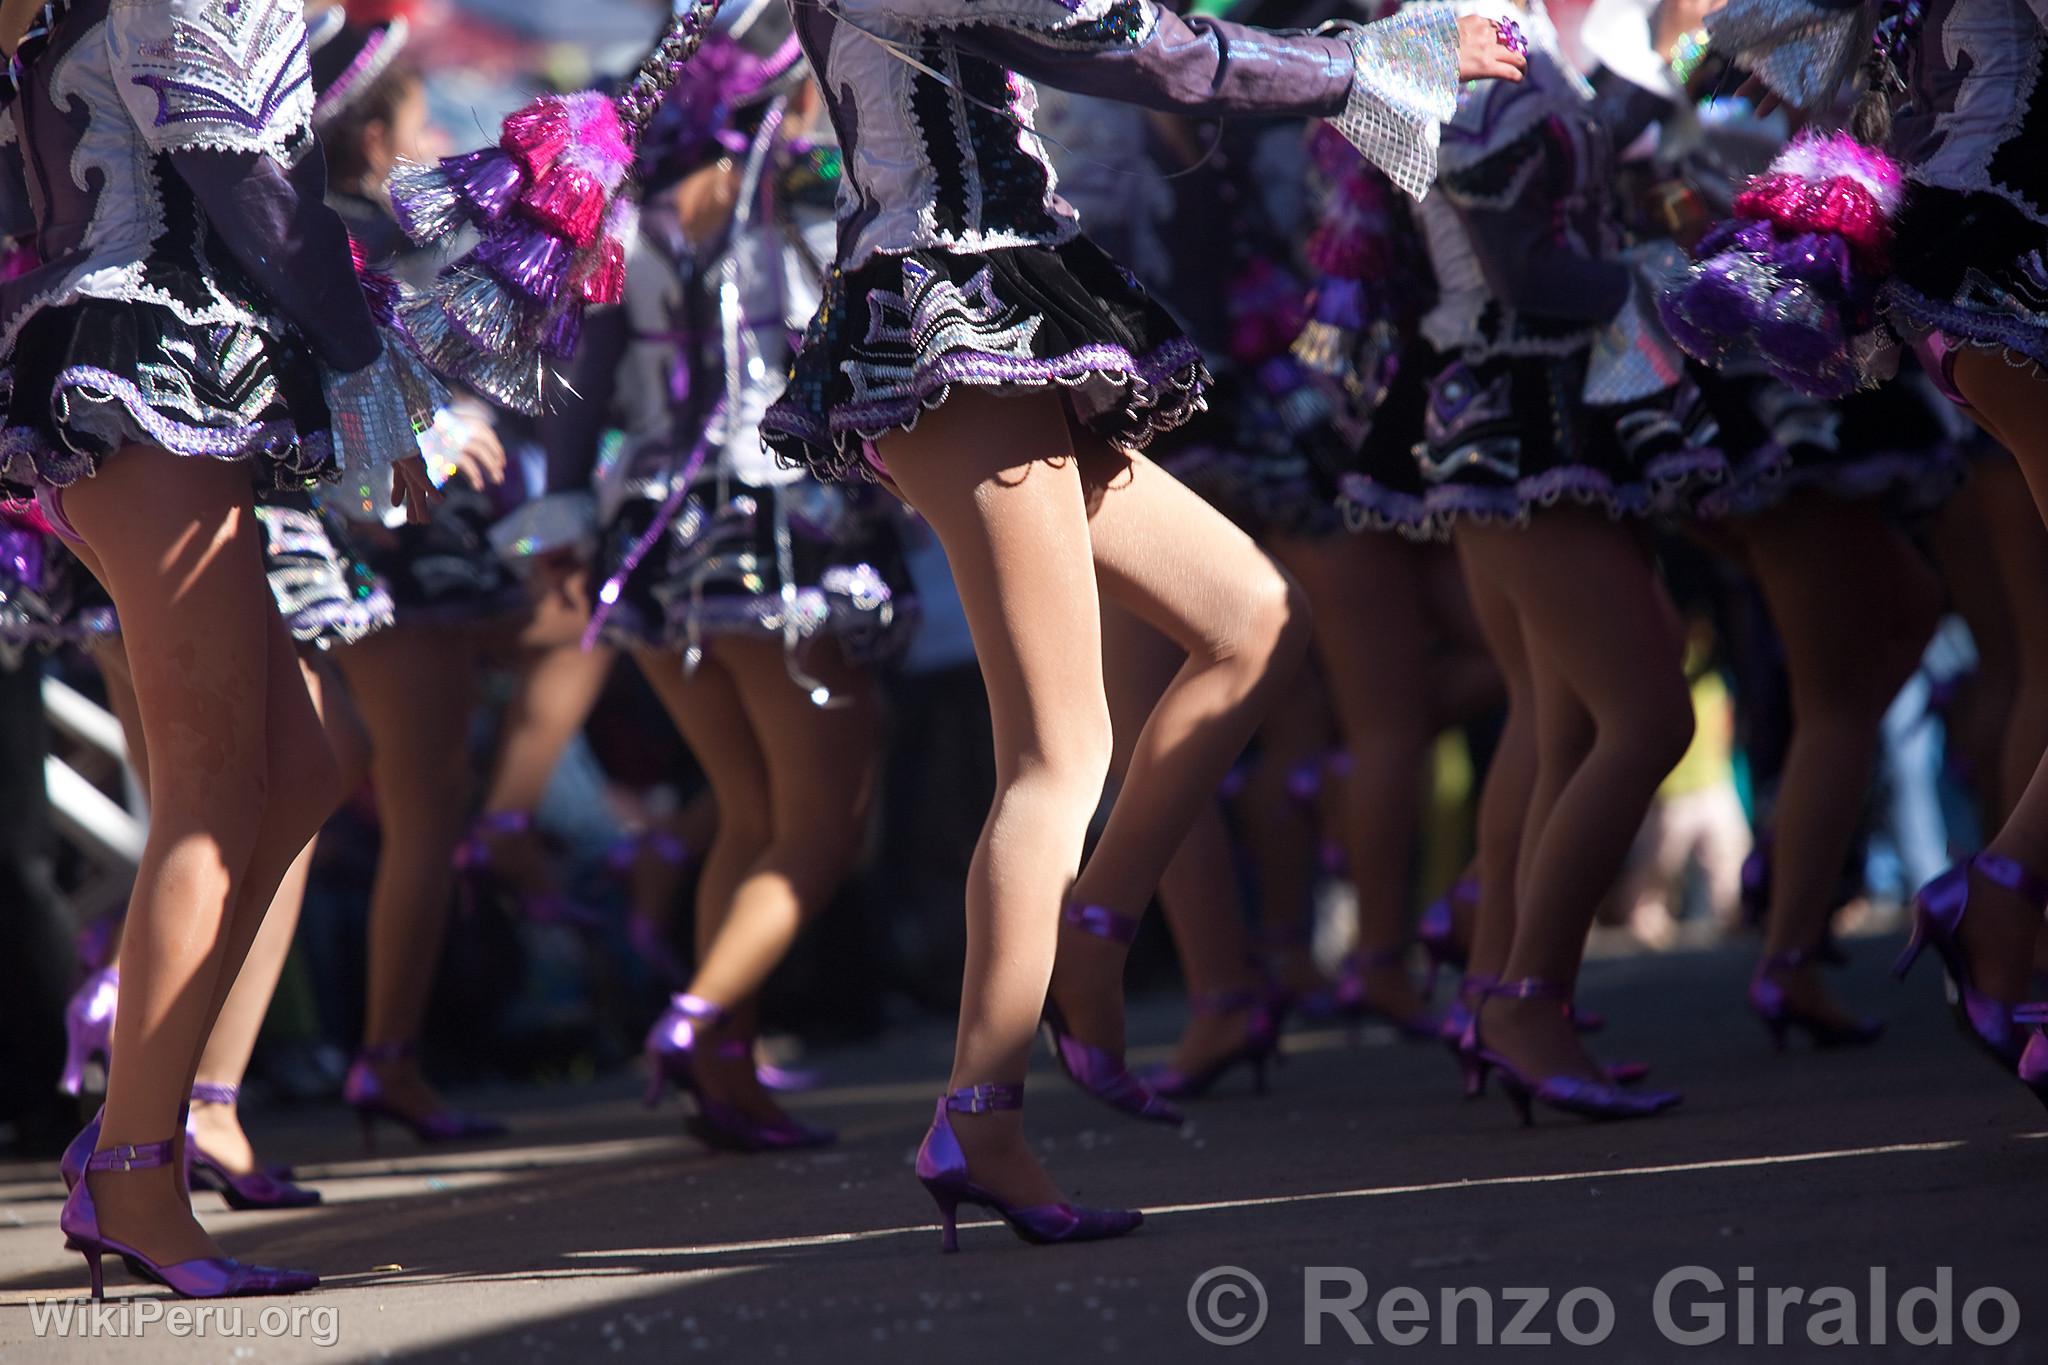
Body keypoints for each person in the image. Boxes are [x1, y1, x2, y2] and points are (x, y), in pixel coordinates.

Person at [759, 0, 1524, 1248]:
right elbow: (1144, 51)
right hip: (962, 324)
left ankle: (1096, 933)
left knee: (1248, 618)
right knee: (1057, 755)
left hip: (1000, 313)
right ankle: (981, 1111)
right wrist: (1375, 63)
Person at [1, 0, 439, 1299]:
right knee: (215, 789)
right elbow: (254, 173)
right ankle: (138, 1164)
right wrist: (365, 378)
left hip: (124, 360)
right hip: (152, 367)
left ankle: (135, 1111)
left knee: (298, 769)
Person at [526, 7, 918, 1151]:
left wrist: (563, 517)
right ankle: (697, 1022)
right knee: (820, 824)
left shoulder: (623, 224)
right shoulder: (800, 213)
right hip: (780, 537)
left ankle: (728, 1075)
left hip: (647, 549)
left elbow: (580, 398)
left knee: (750, 816)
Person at [1704, 0, 2048, 1104]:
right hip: (2005, 258)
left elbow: (1742, 47)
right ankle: (1994, 896)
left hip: (1947, 275)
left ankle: (1989, 896)